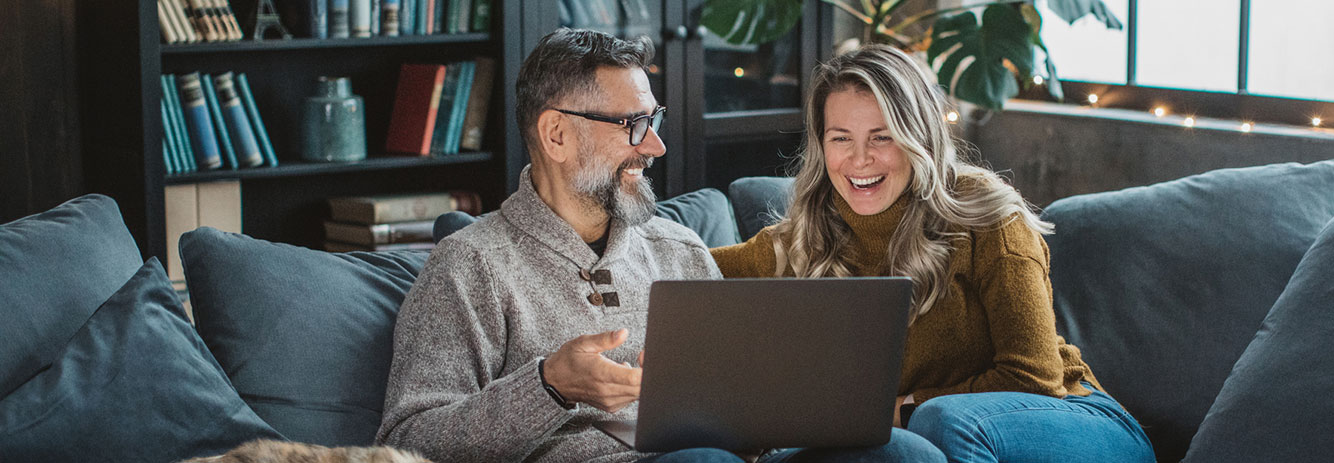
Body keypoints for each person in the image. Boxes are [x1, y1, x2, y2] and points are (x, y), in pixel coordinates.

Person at [377, 29, 940, 463]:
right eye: (633, 123)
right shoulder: (469, 265)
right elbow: (408, 441)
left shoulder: (678, 248)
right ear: (556, 135)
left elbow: (737, 400)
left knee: (902, 451)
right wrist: (549, 385)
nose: (656, 144)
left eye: (656, 119)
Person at [711, 45, 1157, 463]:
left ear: (917, 137)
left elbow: (1036, 376)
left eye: (882, 137)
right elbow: (682, 268)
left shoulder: (986, 213)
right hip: (936, 436)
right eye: (841, 138)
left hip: (1075, 420)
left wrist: (897, 410)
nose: (860, 159)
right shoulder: (803, 238)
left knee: (939, 420)